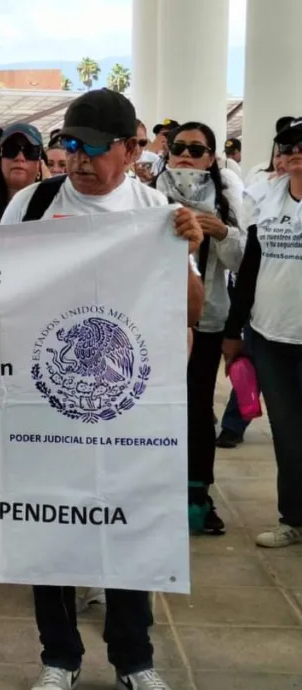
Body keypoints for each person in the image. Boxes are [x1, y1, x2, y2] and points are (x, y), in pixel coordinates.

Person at [0, 89, 203, 690]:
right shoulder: (32, 205)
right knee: (51, 528)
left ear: (132, 148)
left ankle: (134, 659)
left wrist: (189, 249)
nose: (78, 159)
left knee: (127, 525)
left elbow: (191, 312)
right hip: (45, 397)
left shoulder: (155, 212)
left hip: (127, 405)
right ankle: (58, 658)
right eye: (69, 144)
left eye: (93, 146)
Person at [155, 121, 245, 535]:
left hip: (205, 320)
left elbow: (245, 259)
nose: (186, 155)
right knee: (153, 409)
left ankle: (197, 493)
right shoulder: (148, 192)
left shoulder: (227, 196)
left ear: (211, 157)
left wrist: (222, 233)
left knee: (196, 407)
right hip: (152, 321)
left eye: (197, 148)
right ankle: (154, 492)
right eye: (179, 147)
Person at [223, 117, 302, 550]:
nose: (293, 151)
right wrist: (234, 330)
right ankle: (293, 518)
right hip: (271, 337)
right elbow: (251, 266)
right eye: (286, 145)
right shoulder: (267, 197)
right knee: (288, 436)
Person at [0, 123, 47, 225]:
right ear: (0, 159)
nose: (20, 157)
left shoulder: (55, 206)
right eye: (11, 149)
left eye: (30, 151)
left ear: (40, 163)